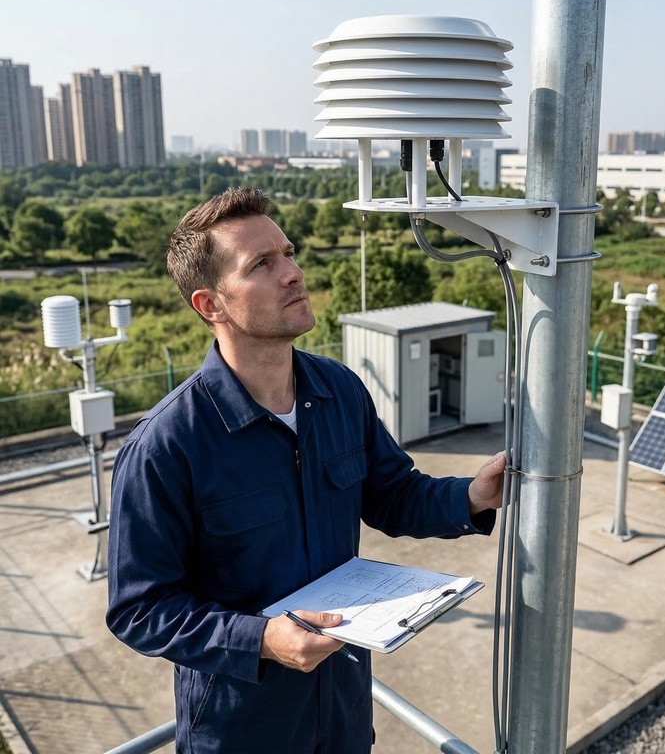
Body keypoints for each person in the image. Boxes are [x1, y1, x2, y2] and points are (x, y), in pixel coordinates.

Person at [106, 187, 505, 754]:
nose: (293, 273)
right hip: (243, 731)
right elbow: (140, 609)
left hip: (342, 716)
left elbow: (392, 494)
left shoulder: (339, 390)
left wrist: (471, 496)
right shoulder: (168, 445)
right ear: (210, 305)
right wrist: (262, 638)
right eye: (262, 265)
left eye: (289, 254)